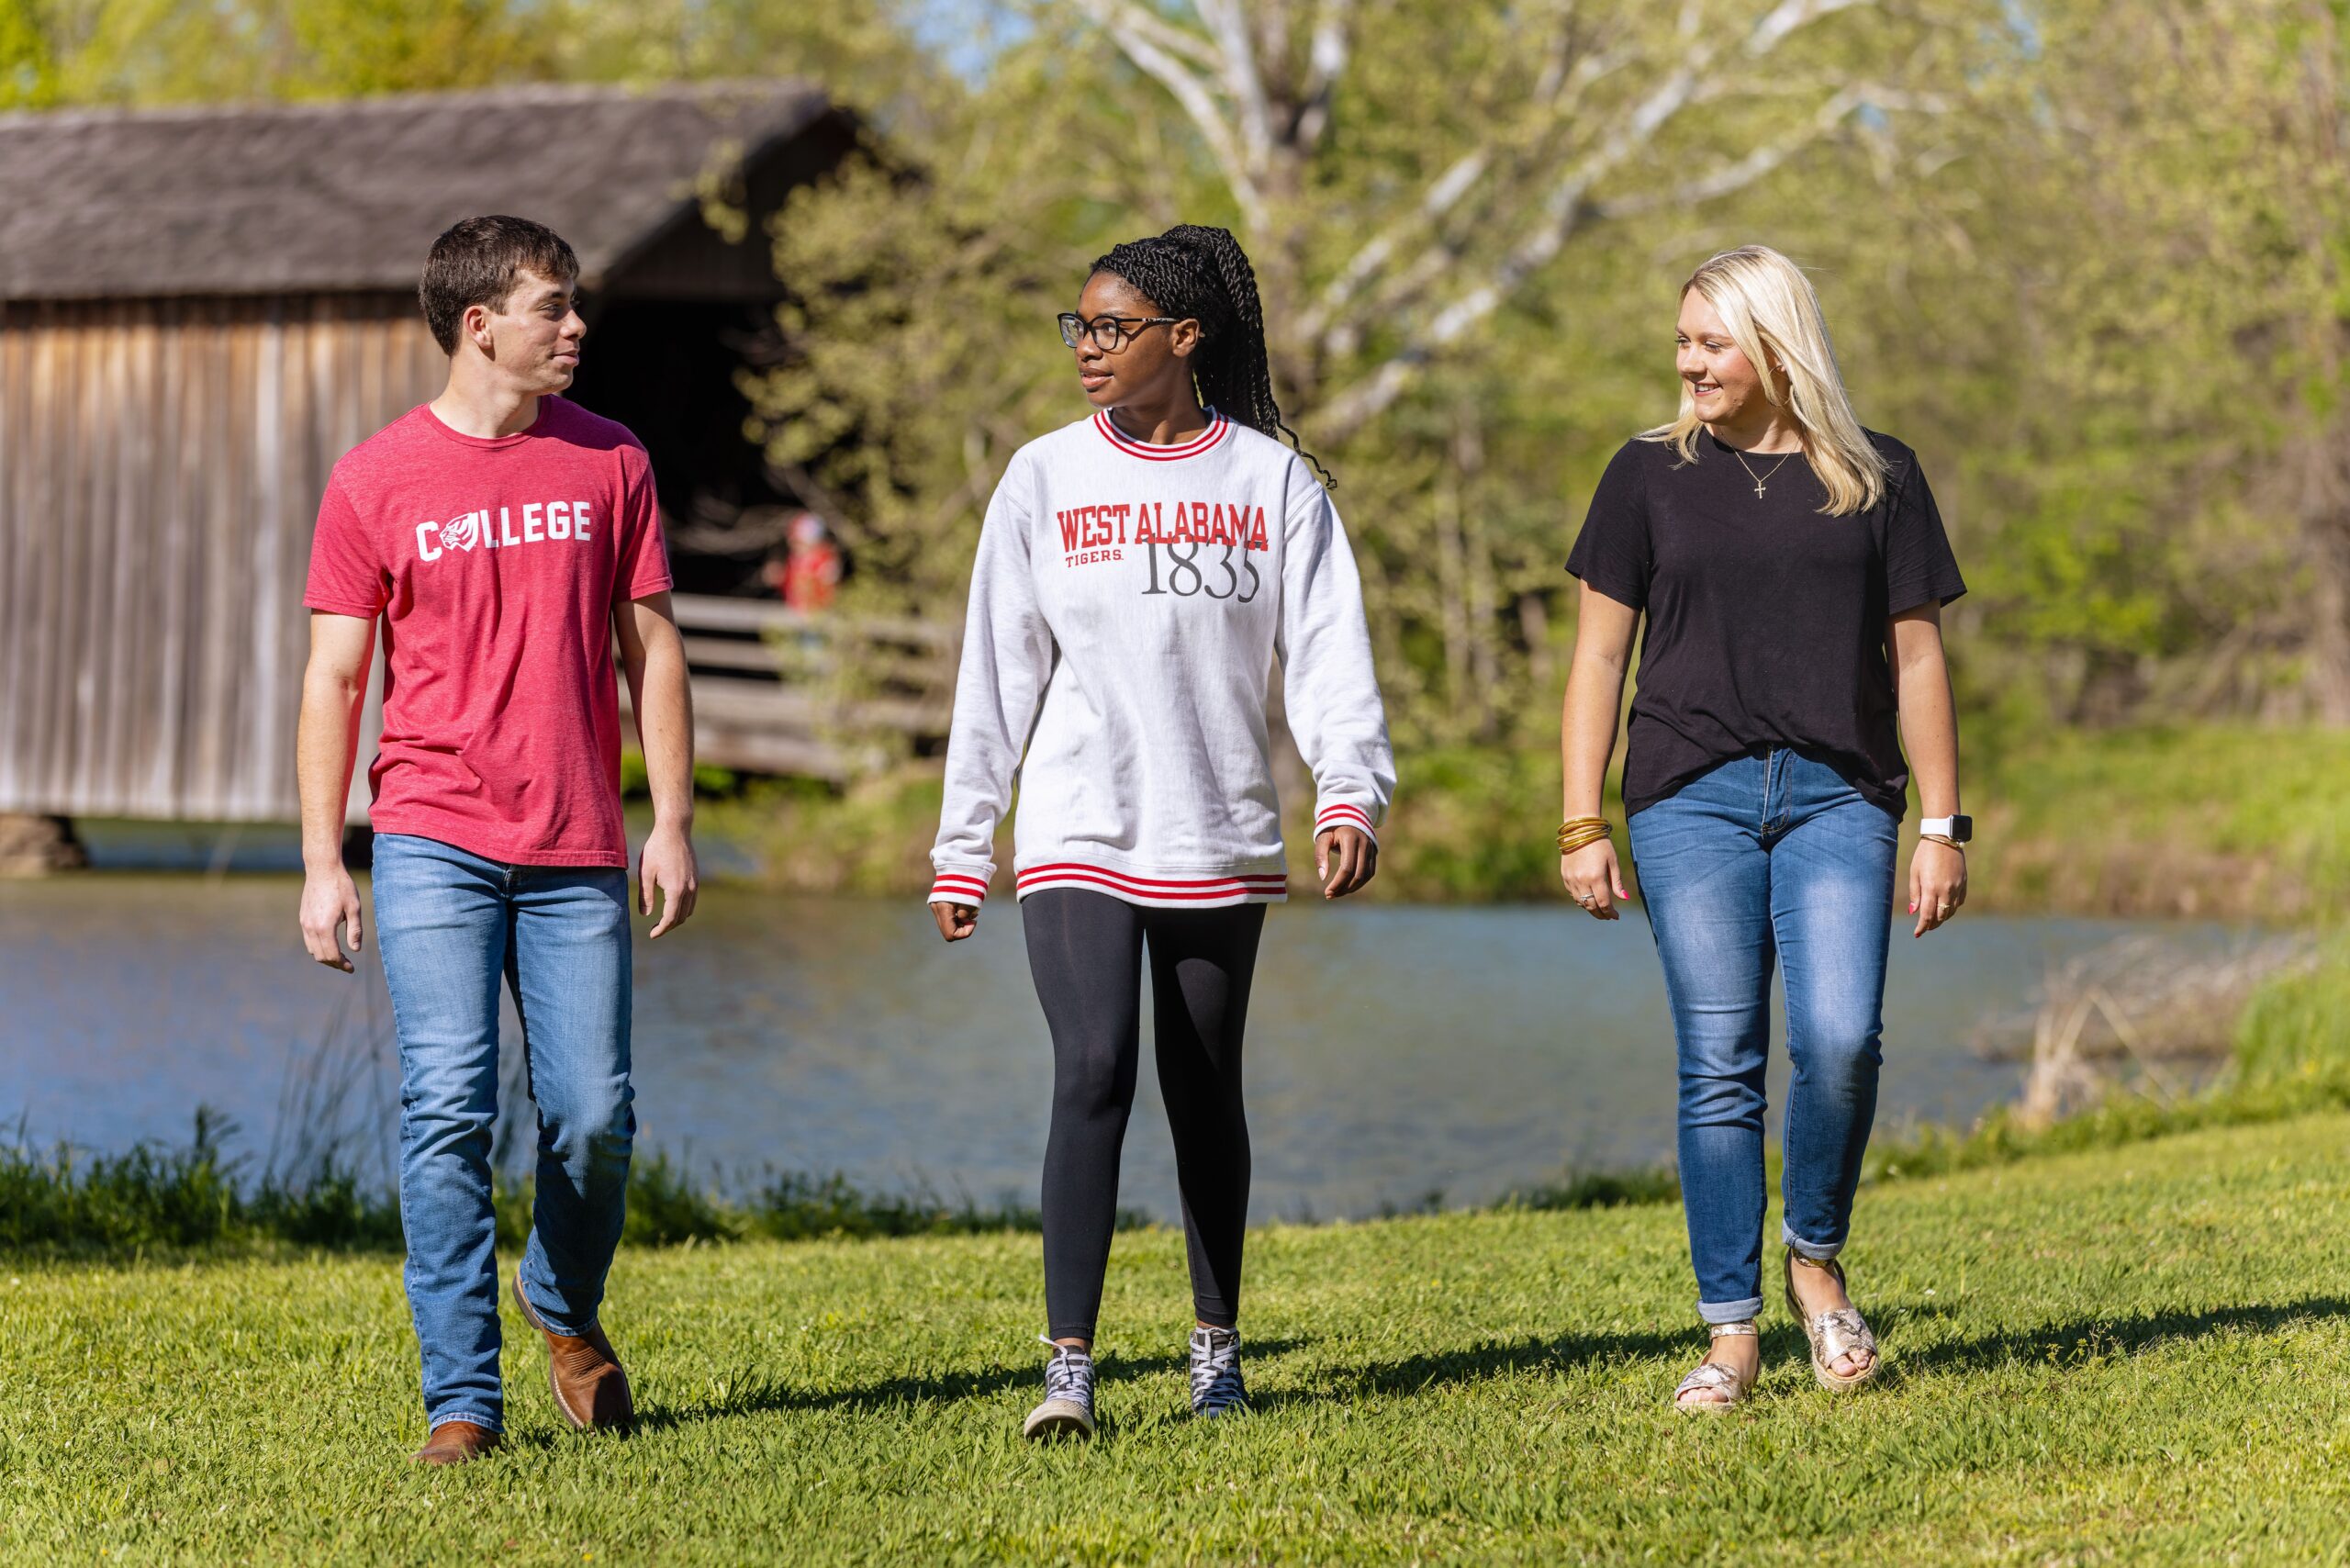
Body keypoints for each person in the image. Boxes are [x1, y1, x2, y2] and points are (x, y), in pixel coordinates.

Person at [928, 224, 1394, 1440]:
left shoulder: (1273, 486)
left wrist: (1351, 791)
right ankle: (1068, 1373)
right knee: (1092, 1073)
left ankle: (1214, 1353)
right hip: (1079, 823)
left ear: (1184, 340)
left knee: (1202, 1090)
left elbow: (1331, 660)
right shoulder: (1041, 478)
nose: (1087, 349)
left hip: (1218, 833)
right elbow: (996, 668)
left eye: (1111, 329)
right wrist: (964, 841)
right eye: (1076, 327)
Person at [295, 216, 699, 1464]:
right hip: (431, 837)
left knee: (595, 1116)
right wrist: (324, 858)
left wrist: (672, 820)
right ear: (481, 325)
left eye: (574, 308)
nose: (574, 328)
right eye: (553, 307)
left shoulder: (611, 462)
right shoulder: (374, 480)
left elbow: (656, 651)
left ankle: (560, 1302)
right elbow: (334, 677)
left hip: (578, 842)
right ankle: (463, 1401)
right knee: (448, 1107)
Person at [1556, 245, 1969, 1410]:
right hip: (1690, 797)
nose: (1685, 362)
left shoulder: (1879, 475)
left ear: (1775, 344)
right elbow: (1597, 656)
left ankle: (1816, 1262)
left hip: (1843, 795)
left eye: (1709, 342)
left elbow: (1917, 658)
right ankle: (1728, 1331)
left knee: (1840, 1039)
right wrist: (1581, 817)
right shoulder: (1644, 476)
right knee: (1719, 1061)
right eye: (1681, 339)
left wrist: (1943, 822)